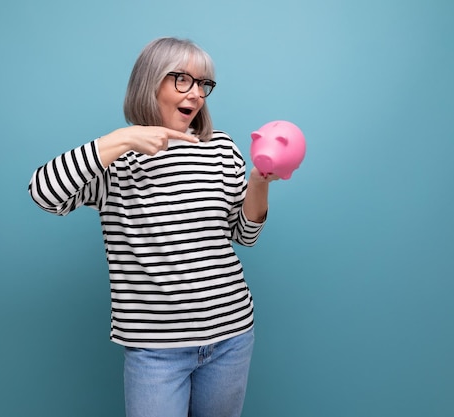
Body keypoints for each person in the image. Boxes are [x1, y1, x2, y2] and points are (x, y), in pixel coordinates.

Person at [28, 37, 279, 417]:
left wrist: (258, 183)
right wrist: (122, 138)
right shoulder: (116, 161)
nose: (195, 94)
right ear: (151, 82)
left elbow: (244, 235)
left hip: (231, 335)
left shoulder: (222, 149)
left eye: (203, 84)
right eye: (182, 79)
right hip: (155, 349)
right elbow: (44, 193)